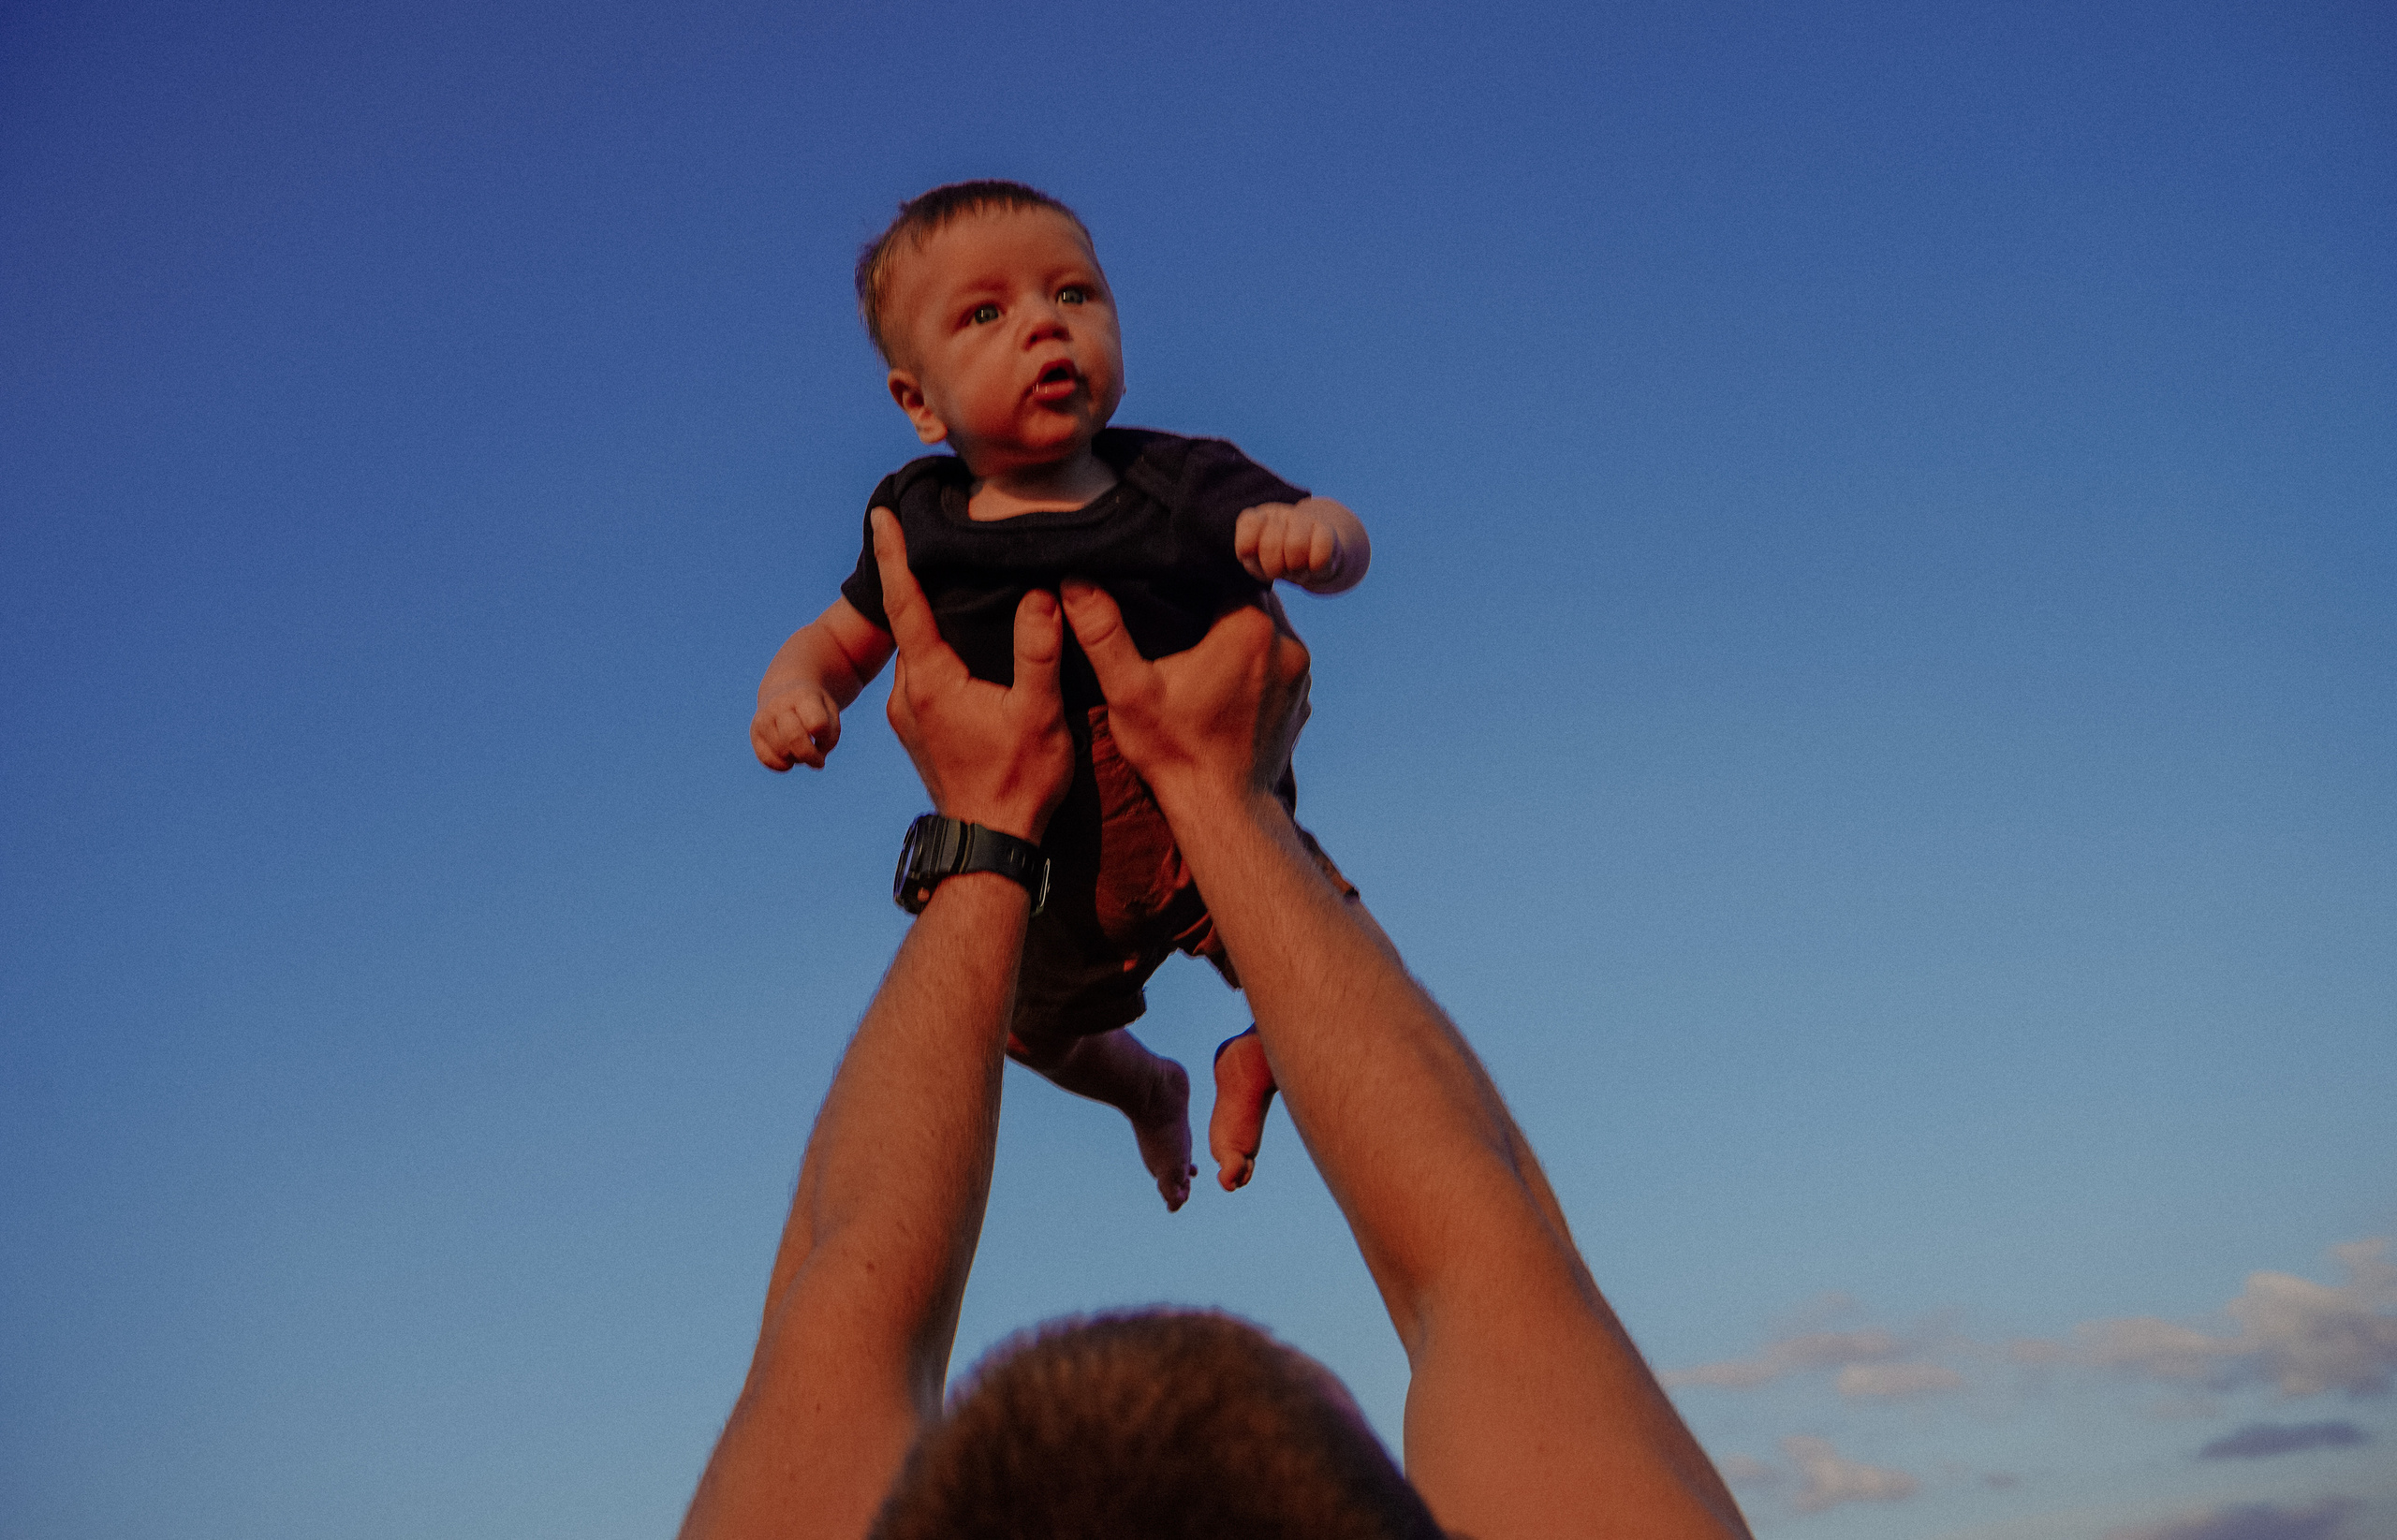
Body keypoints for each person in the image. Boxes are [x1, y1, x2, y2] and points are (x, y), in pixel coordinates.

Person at [679, 513, 1753, 1539]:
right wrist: (1223, 795)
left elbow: (843, 1268)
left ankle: (1217, 1051)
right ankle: (1244, 1035)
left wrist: (989, 824)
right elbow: (1484, 1241)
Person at [749, 181, 1372, 1210]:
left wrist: (1318, 542)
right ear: (918, 402)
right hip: (1048, 868)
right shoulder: (918, 521)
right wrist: (796, 690)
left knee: (1332, 963)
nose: (1045, 322)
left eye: (1074, 294)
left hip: (1214, 825)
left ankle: (1260, 1052)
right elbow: (837, 639)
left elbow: (1332, 525)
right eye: (986, 314)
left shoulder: (1178, 483)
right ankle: (1144, 1089)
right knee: (1027, 1030)